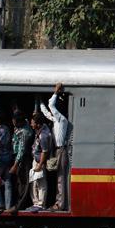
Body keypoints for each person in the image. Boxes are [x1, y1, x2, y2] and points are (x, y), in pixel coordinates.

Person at [41, 83, 70, 211]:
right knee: (58, 177)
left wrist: (56, 93)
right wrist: (40, 103)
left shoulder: (62, 120)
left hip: (61, 150)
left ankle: (61, 204)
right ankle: (59, 202)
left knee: (60, 178)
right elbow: (48, 113)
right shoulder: (57, 120)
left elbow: (51, 105)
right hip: (58, 150)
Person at [4, 111, 33, 215]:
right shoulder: (22, 124)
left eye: (14, 121)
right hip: (17, 157)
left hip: (22, 159)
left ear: (19, 122)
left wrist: (16, 165)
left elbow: (21, 150)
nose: (12, 122)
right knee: (19, 182)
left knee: (23, 183)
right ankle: (17, 203)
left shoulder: (24, 132)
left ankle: (19, 206)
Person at [27, 111, 53, 213]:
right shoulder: (41, 128)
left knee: (41, 183)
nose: (31, 124)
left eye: (32, 123)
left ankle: (41, 204)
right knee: (34, 183)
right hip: (36, 159)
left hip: (39, 161)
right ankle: (36, 203)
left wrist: (40, 165)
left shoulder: (43, 135)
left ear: (37, 124)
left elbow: (44, 152)